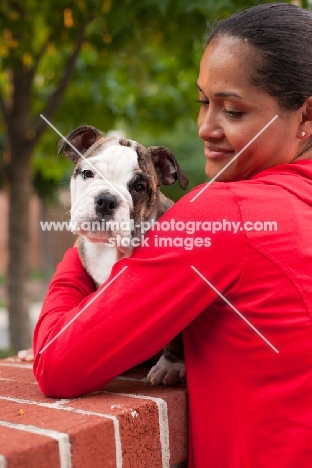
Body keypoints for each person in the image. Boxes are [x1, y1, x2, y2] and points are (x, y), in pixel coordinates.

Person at [33, 3, 312, 467]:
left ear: (306, 116)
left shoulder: (222, 214)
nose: (206, 127)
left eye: (234, 110)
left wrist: (82, 246)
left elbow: (55, 364)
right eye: (204, 101)